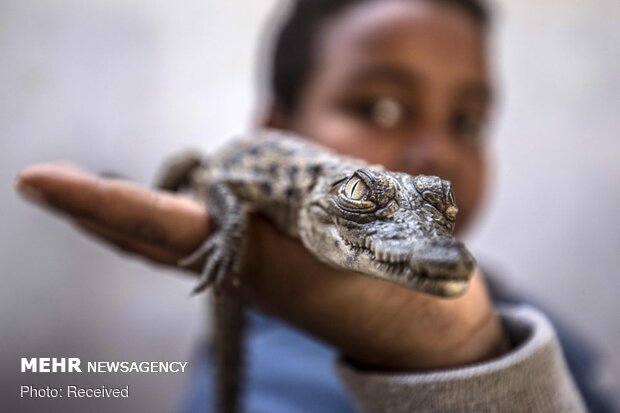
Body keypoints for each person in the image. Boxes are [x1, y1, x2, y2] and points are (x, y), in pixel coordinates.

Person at [15, 0, 617, 411]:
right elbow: (212, 175)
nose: (432, 154)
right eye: (378, 108)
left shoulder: (535, 317)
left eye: (468, 120)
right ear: (281, 124)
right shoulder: (275, 387)